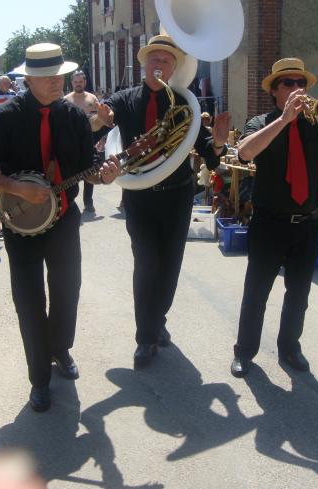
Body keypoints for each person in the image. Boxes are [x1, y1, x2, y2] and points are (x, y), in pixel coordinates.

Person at [0, 43, 120, 412]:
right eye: (49, 77)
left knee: (68, 290)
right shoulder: (6, 118)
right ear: (30, 79)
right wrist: (16, 187)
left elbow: (91, 169)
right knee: (29, 301)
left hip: (65, 219)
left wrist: (106, 175)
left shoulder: (73, 116)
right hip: (20, 226)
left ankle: (60, 348)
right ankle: (39, 378)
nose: (58, 82)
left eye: (61, 75)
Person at [95, 34, 230, 369]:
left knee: (170, 267)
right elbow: (103, 123)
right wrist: (102, 116)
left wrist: (218, 146)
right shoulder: (126, 98)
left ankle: (158, 318)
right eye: (153, 59)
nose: (159, 65)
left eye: (166, 60)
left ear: (173, 68)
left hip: (177, 197)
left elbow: (206, 151)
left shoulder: (186, 104)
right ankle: (145, 338)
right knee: (146, 265)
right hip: (140, 198)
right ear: (145, 63)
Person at [230, 58, 318, 377]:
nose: (297, 89)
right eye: (288, 83)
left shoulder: (317, 126)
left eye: (301, 83)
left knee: (299, 293)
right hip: (269, 223)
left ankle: (290, 348)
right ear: (274, 91)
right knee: (256, 292)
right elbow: (245, 152)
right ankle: (244, 352)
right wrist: (284, 120)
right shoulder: (262, 122)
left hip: (308, 223)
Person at [64, 70, 102, 213]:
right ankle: (69, 201)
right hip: (71, 143)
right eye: (76, 82)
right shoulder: (66, 100)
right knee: (70, 174)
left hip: (89, 141)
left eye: (80, 82)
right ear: (72, 83)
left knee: (89, 172)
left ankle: (88, 203)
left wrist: (101, 139)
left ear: (85, 82)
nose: (78, 84)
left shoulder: (92, 99)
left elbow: (99, 119)